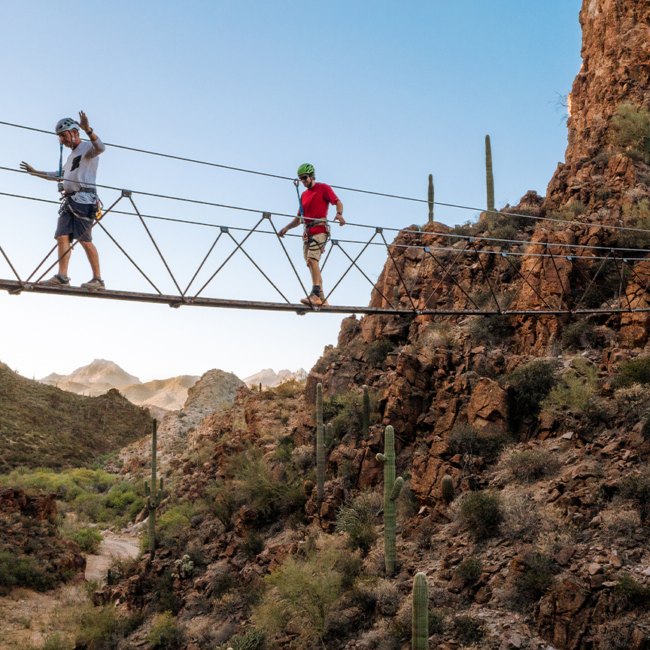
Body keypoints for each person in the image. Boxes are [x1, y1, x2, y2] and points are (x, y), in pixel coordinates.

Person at [20, 111, 106, 290]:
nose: (62, 140)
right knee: (61, 236)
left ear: (75, 132)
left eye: (64, 135)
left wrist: (88, 130)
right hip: (70, 201)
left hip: (84, 200)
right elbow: (58, 175)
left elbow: (101, 148)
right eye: (60, 137)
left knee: (84, 239)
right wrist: (35, 172)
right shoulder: (71, 157)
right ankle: (62, 276)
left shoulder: (87, 148)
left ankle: (98, 279)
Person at [278, 164, 345, 306]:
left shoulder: (323, 188)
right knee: (310, 263)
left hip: (320, 230)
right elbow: (299, 219)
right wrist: (286, 228)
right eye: (301, 179)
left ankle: (314, 295)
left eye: (304, 178)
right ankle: (322, 297)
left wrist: (339, 214)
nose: (303, 181)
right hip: (307, 233)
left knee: (312, 260)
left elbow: (337, 202)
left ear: (312, 175)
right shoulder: (303, 195)